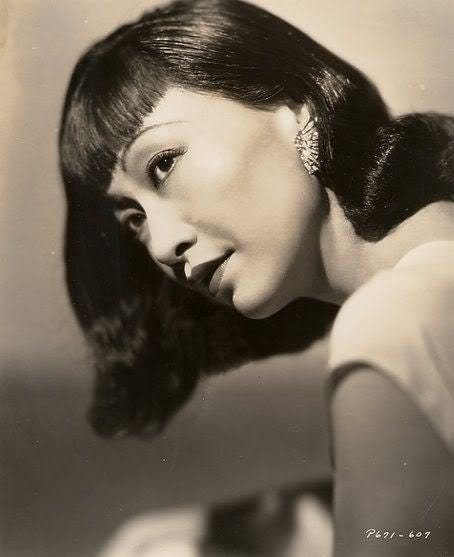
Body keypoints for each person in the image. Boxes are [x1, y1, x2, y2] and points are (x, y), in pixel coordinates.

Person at [59, 0, 454, 554]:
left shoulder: (391, 320)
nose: (163, 244)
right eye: (134, 220)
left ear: (298, 110)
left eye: (164, 163)